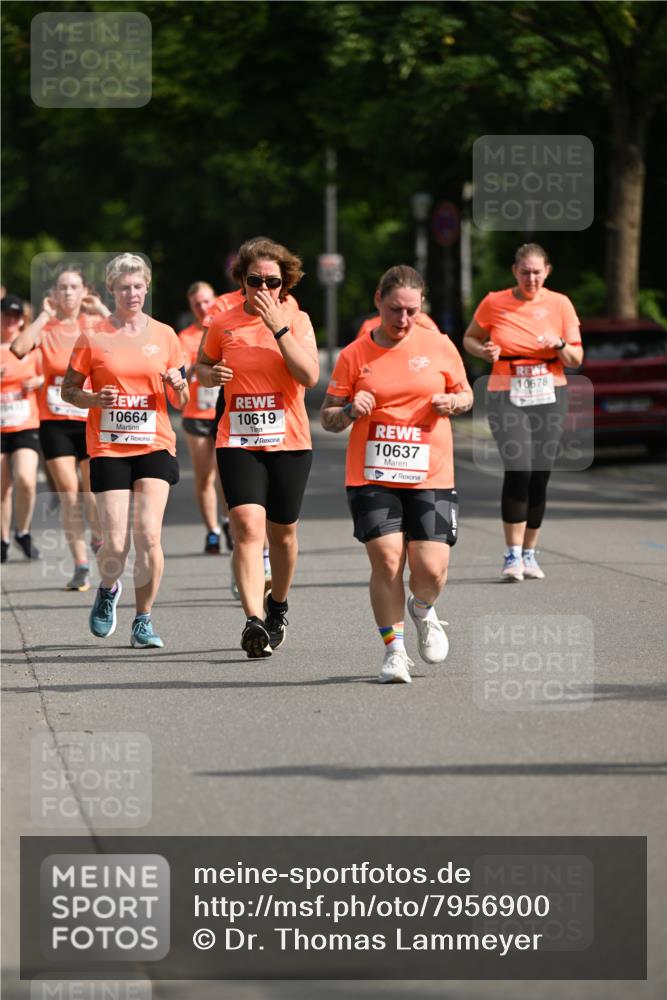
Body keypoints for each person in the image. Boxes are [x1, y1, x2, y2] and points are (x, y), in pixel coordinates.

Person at [320, 265, 472, 684]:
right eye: (394, 309)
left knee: (431, 571)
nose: (402, 319)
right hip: (372, 473)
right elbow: (329, 416)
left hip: (431, 473)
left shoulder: (439, 345)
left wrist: (453, 403)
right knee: (388, 560)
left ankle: (422, 608)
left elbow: (466, 393)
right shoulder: (355, 355)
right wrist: (351, 410)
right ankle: (394, 651)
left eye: (411, 310)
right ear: (378, 301)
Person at [198, 236, 319, 658]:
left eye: (272, 281)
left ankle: (277, 604)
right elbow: (203, 364)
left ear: (285, 283)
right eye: (255, 280)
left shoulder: (297, 319)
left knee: (282, 534)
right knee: (248, 528)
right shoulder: (222, 321)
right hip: (238, 439)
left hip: (289, 440)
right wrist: (209, 377)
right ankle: (252, 621)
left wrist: (277, 328)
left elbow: (308, 376)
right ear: (242, 281)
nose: (263, 289)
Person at [61, 253, 189, 647]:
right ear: (112, 291)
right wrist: (94, 400)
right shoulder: (92, 336)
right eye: (123, 287)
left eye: (137, 286)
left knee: (149, 536)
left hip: (154, 443)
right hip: (109, 447)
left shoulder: (166, 335)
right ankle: (108, 588)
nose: (131, 293)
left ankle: (143, 620)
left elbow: (182, 401)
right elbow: (69, 391)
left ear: (147, 287)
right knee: (116, 544)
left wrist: (176, 384)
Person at [463, 243, 583, 581]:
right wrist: (483, 350)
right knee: (519, 468)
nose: (531, 278)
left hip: (550, 393)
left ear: (547, 271)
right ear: (515, 271)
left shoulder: (560, 304)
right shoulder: (494, 301)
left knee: (539, 473)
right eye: (525, 271)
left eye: (537, 272)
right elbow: (469, 338)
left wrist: (559, 344)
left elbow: (577, 358)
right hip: (507, 393)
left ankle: (530, 553)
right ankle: (512, 555)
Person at [11, 266, 109, 590]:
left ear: (84, 292)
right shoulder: (47, 328)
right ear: (54, 293)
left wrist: (102, 310)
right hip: (54, 422)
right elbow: (19, 348)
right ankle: (81, 565)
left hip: (89, 419)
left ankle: (97, 537)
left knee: (91, 493)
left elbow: (126, 342)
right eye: (62, 288)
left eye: (73, 287)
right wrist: (42, 316)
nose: (67, 293)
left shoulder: (95, 325)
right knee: (69, 495)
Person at [178, 281, 233, 554]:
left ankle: (228, 522)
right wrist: (192, 370)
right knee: (204, 476)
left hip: (225, 411)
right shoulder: (184, 338)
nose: (203, 308)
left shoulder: (227, 328)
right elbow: (175, 382)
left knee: (227, 475)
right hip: (197, 414)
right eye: (197, 303)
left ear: (216, 300)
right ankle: (212, 530)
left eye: (206, 301)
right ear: (191, 307)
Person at [1, 294, 44, 562]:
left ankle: (23, 531)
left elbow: (48, 375)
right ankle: (3, 539)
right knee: (2, 486)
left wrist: (37, 381)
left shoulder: (31, 346)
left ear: (22, 320)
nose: (10, 320)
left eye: (16, 316)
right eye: (6, 315)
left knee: (26, 480)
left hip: (25, 423)